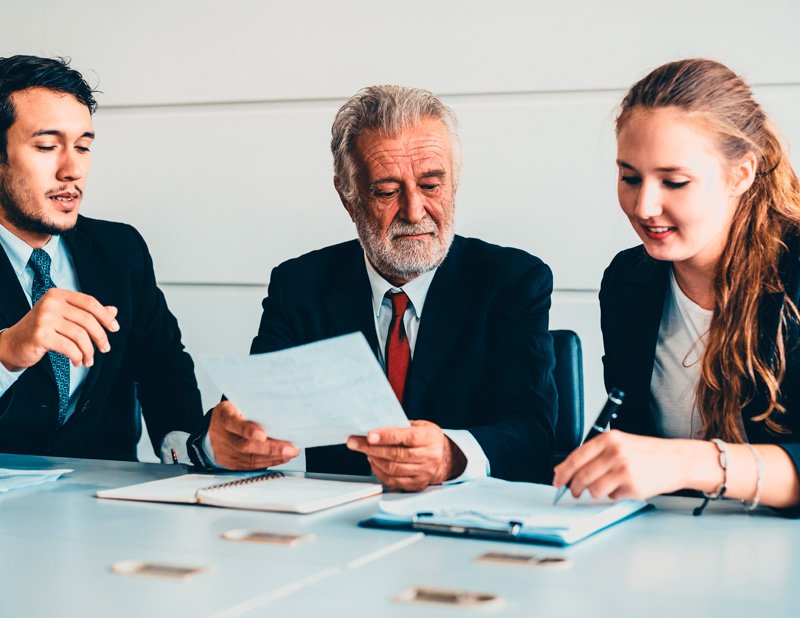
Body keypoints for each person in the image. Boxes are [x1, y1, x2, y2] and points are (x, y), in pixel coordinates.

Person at [199, 85, 557, 490]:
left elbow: (533, 436)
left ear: (454, 183)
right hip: (331, 518)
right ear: (348, 198)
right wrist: (220, 444)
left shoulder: (512, 281)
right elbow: (247, 418)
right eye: (387, 191)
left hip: (461, 520)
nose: (414, 211)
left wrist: (449, 456)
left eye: (431, 185)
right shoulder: (299, 286)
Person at [554, 58, 800, 512]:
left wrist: (689, 463)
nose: (644, 207)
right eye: (630, 178)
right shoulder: (627, 282)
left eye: (674, 181)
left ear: (741, 174)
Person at [0, 55, 205, 461]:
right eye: (47, 146)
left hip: (109, 493)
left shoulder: (120, 249)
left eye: (83, 147)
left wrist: (190, 453)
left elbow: (164, 368)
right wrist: (6, 352)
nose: (72, 170)